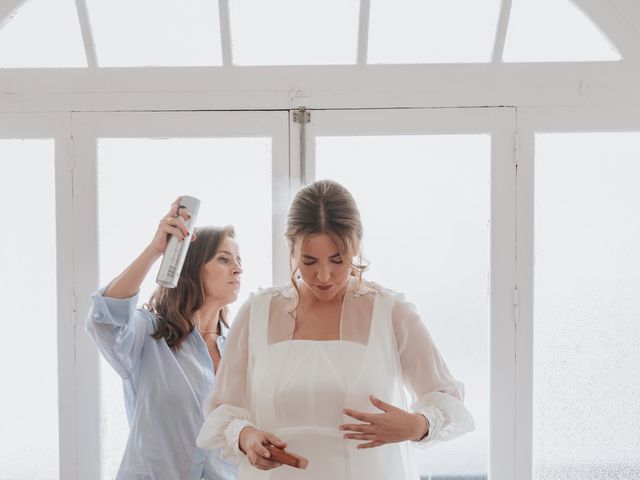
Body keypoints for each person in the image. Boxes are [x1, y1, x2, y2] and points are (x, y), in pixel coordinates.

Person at [196, 180, 475, 479]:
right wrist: (247, 437)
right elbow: (222, 409)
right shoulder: (257, 313)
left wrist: (418, 425)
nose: (324, 275)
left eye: (338, 260)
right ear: (291, 248)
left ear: (356, 245)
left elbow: (447, 397)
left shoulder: (391, 312)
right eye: (310, 261)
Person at [86, 198, 242, 480]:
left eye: (238, 261)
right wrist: (156, 250)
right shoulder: (149, 335)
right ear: (191, 265)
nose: (237, 269)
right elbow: (105, 319)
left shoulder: (240, 349)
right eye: (224, 259)